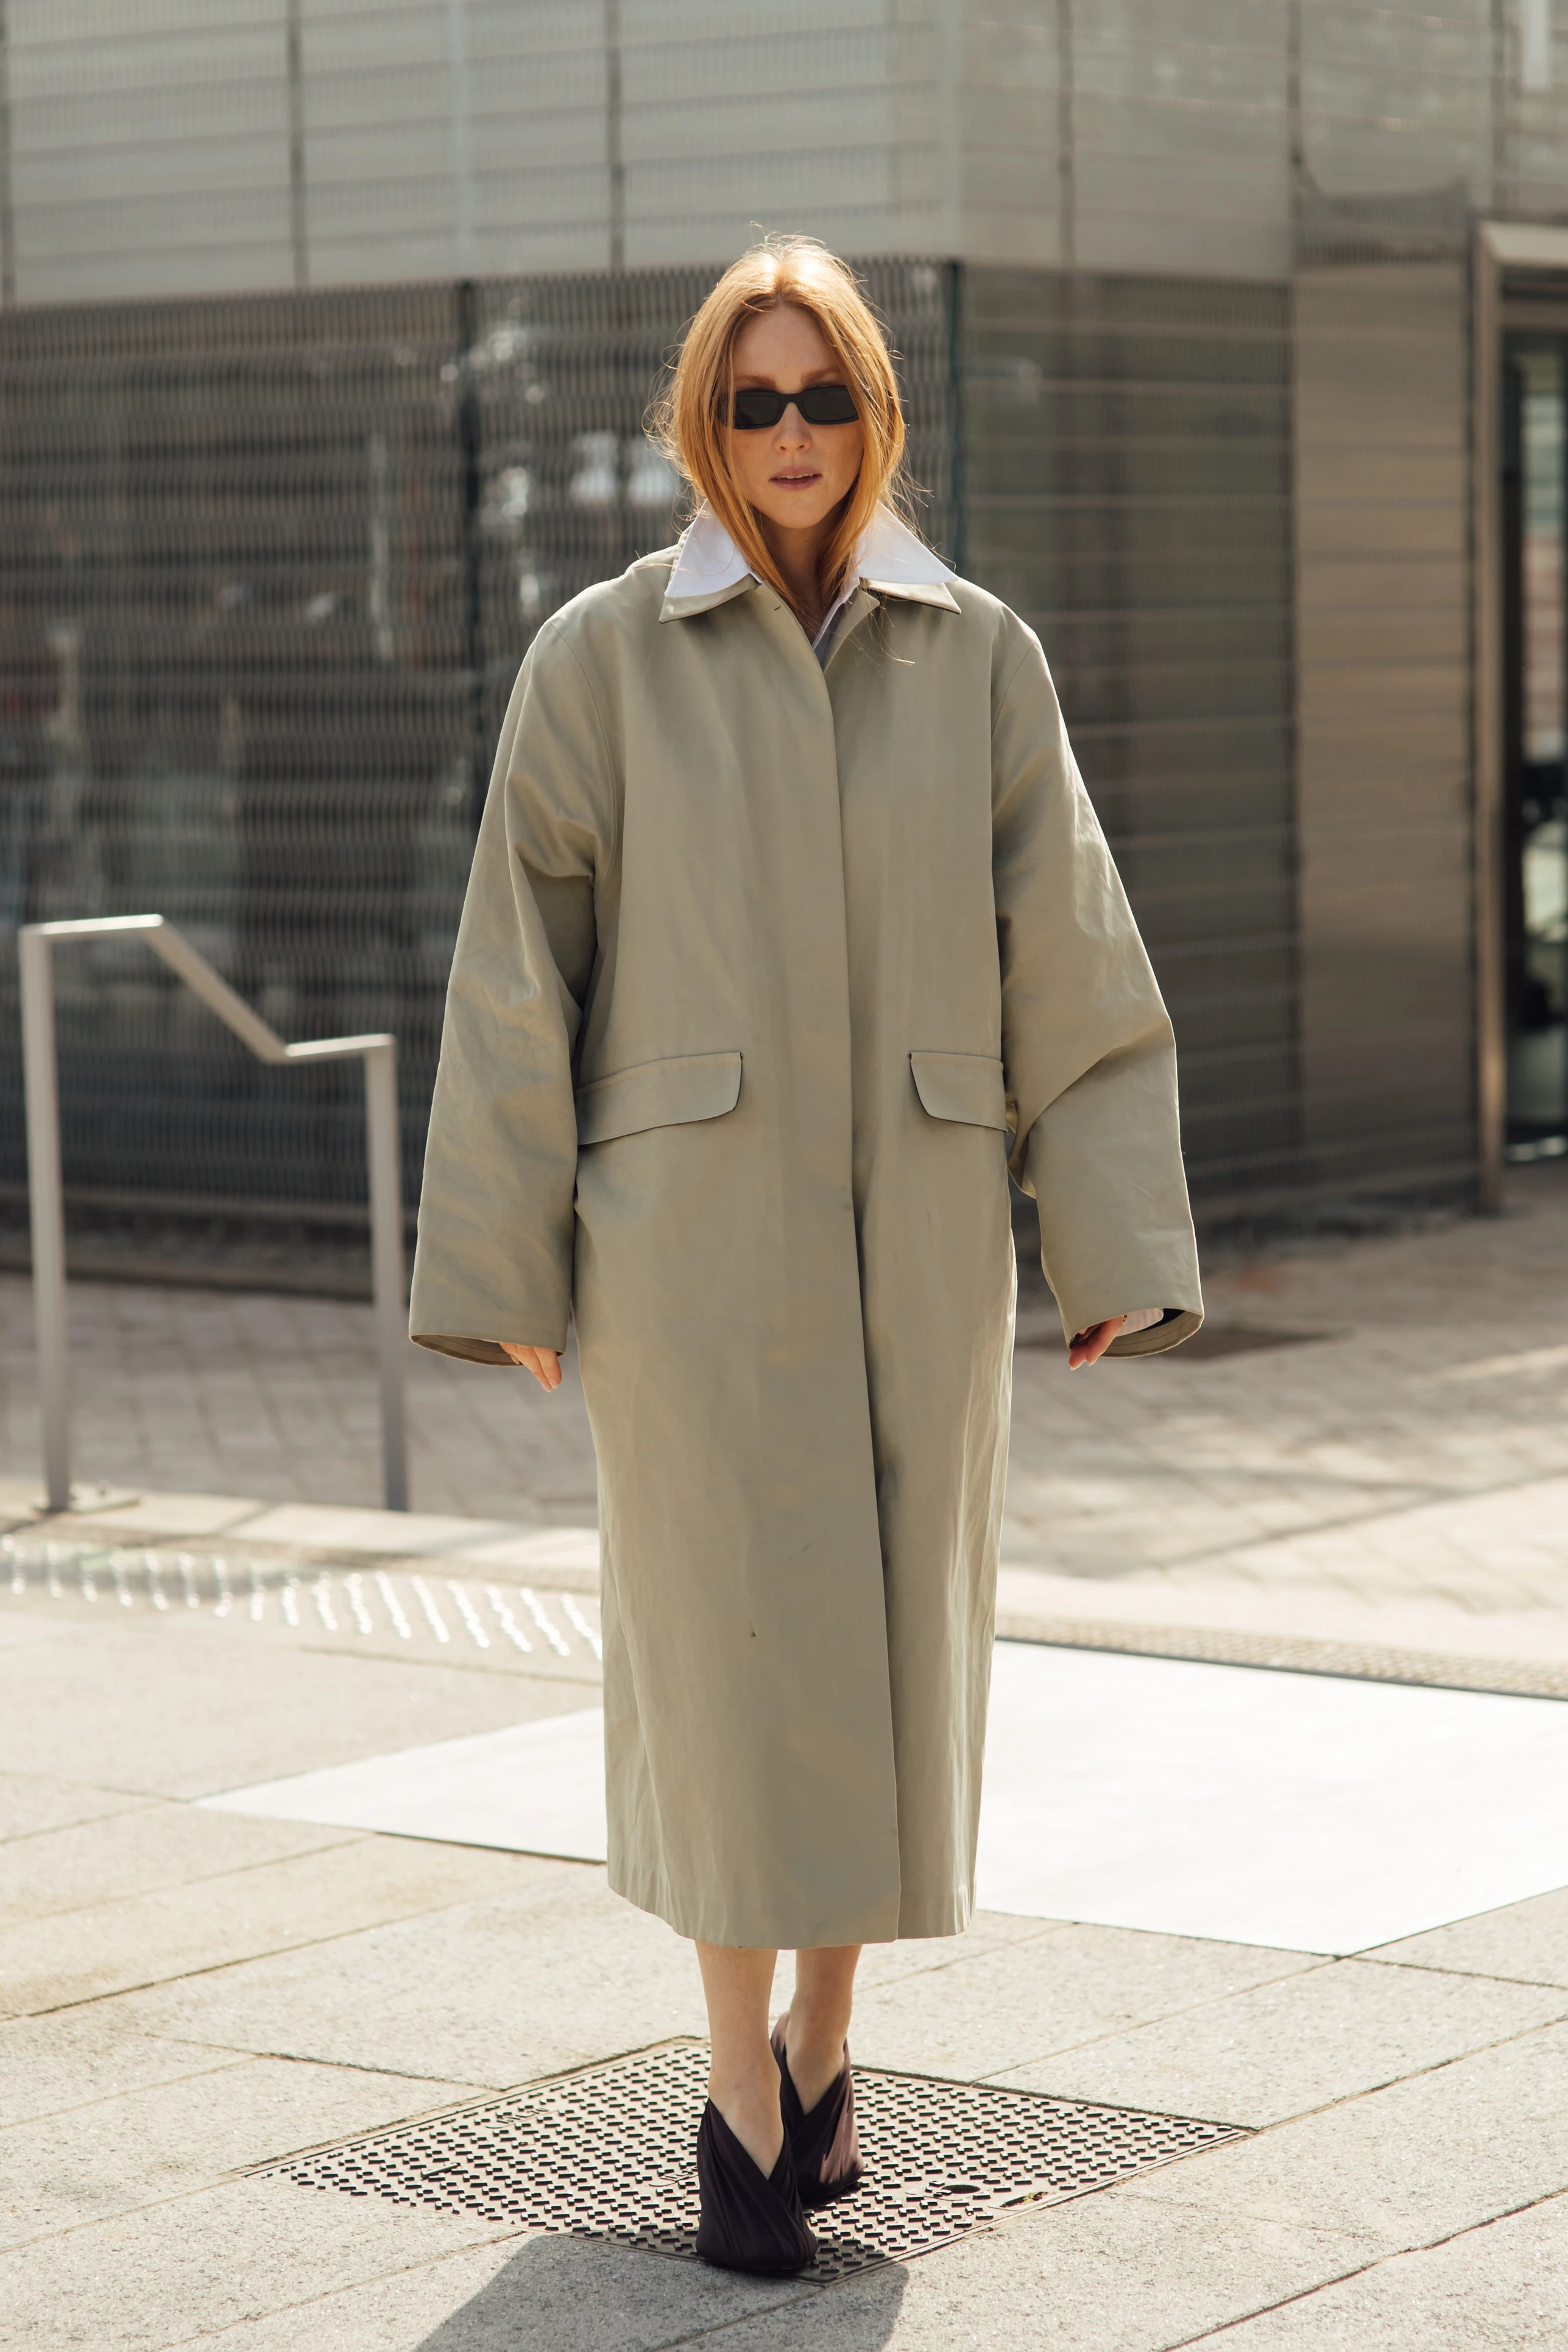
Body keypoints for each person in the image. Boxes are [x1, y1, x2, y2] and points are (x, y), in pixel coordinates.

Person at [409, 236, 1202, 2273]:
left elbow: (1078, 957)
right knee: (734, 1659)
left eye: (821, 395)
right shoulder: (597, 657)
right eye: (750, 398)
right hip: (687, 1250)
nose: (787, 434)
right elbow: (519, 971)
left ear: (874, 416)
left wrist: (1105, 1234)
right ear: (702, 418)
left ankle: (834, 2039)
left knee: (884, 1651)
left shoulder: (981, 655)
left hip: (921, 1236)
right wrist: (506, 1266)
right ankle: (733, 2076)